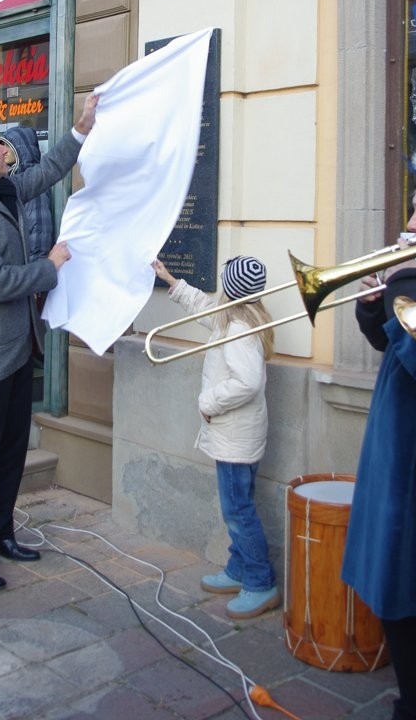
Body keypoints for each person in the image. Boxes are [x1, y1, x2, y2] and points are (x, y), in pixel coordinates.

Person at [0, 94, 98, 591]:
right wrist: (51, 266)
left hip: (16, 345)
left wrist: (80, 129)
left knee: (11, 450)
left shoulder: (2, 187)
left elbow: (48, 170)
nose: (6, 149)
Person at [342, 140, 416, 720]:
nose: (410, 224)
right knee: (403, 592)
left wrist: (402, 288)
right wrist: (375, 308)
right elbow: (399, 345)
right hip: (404, 463)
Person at [152, 254, 280, 620]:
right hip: (237, 435)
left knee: (238, 511)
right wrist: (170, 280)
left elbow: (247, 382)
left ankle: (260, 582)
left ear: (231, 289)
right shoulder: (235, 317)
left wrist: (208, 402)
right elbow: (204, 307)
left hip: (235, 437)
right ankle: (238, 569)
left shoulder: (239, 330)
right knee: (239, 505)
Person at [0, 126, 54, 261]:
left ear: (21, 149)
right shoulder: (12, 180)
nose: (3, 151)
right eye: (2, 145)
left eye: (8, 145)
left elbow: (39, 233)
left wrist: (33, 273)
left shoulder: (33, 184)